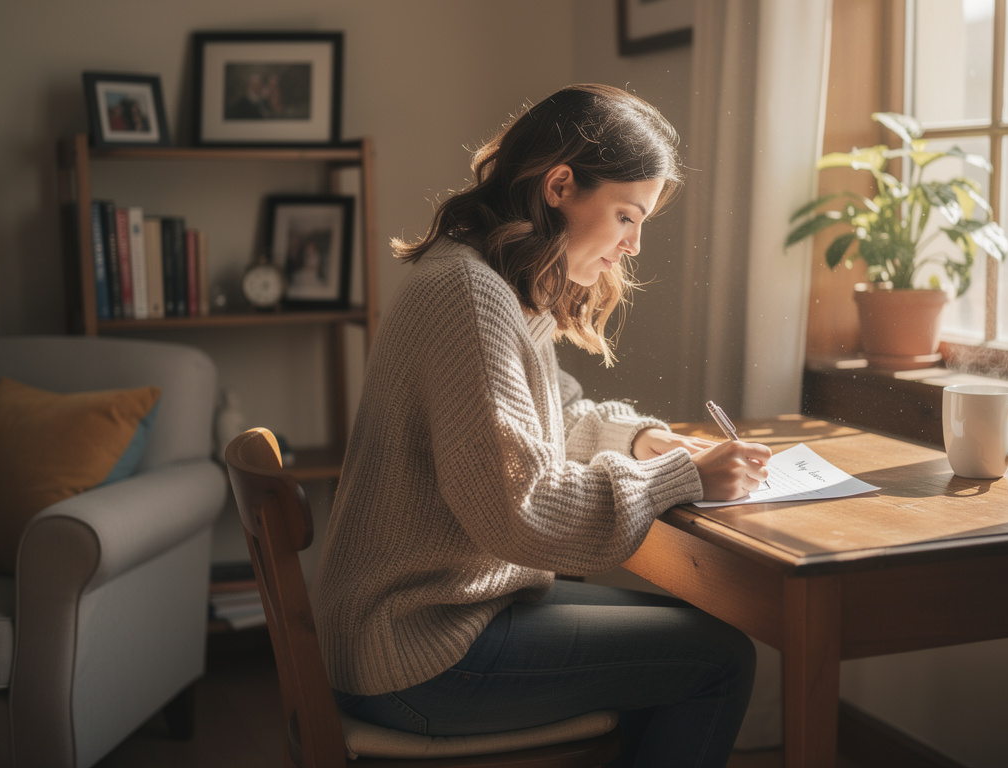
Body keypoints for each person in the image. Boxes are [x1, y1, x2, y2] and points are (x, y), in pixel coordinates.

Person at [312, 83, 772, 767]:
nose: (633, 245)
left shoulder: (482, 278)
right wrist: (676, 475)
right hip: (418, 654)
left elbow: (547, 418)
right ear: (560, 184)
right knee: (719, 661)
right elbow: (524, 511)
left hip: (410, 627)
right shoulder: (470, 297)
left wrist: (642, 440)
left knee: (703, 637)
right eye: (625, 214)